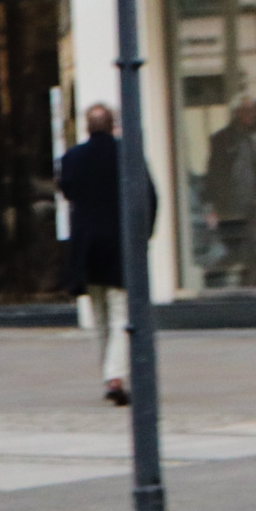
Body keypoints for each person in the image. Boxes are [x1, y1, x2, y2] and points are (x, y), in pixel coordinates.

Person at [57, 103, 158, 407]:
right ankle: (115, 376)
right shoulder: (127, 154)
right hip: (119, 246)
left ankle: (109, 376)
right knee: (120, 315)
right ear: (113, 124)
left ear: (87, 127)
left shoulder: (72, 158)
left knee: (100, 317)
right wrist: (144, 236)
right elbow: (149, 197)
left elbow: (68, 191)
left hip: (87, 248)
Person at [203, 99, 256, 289]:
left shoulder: (254, 140)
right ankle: (218, 283)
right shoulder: (222, 139)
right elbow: (214, 173)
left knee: (250, 250)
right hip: (229, 207)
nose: (252, 117)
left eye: (253, 113)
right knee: (229, 249)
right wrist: (211, 205)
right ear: (238, 114)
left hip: (250, 206)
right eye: (248, 112)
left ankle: (247, 286)